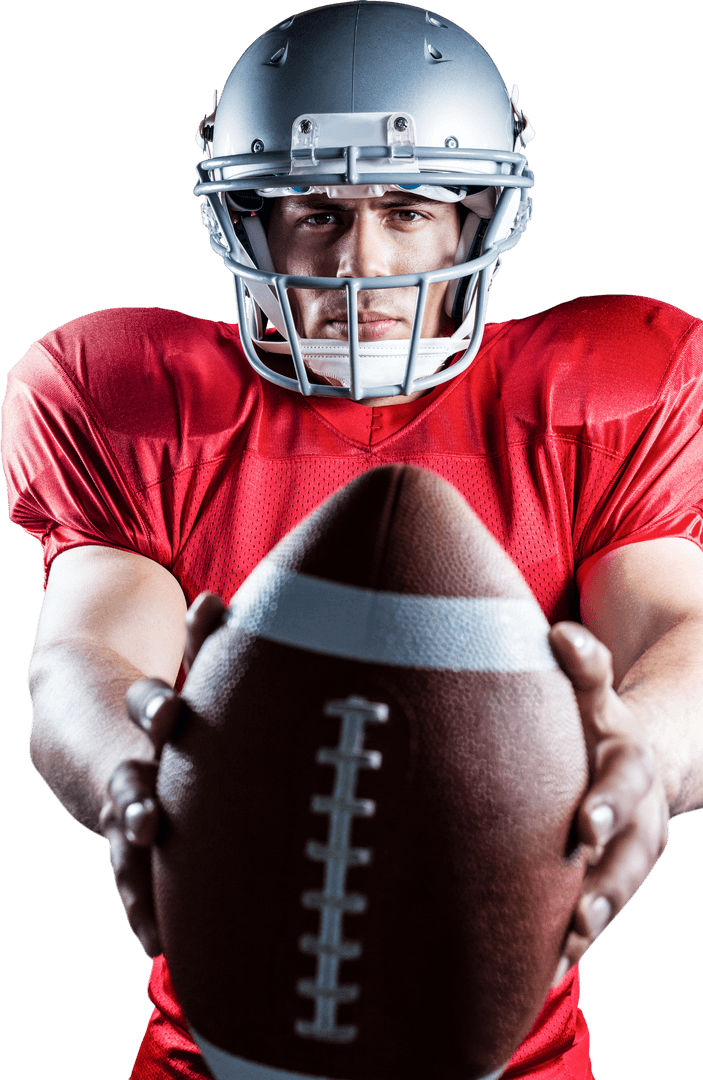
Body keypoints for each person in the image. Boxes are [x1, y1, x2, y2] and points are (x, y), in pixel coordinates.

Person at [2, 3, 702, 1078]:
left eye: (409, 209)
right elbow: (83, 657)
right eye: (316, 211)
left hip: (510, 1048)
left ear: (475, 219)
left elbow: (680, 630)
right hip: (215, 1043)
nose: (361, 261)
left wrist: (629, 768)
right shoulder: (130, 396)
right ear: (248, 221)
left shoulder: (595, 393)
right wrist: (137, 782)